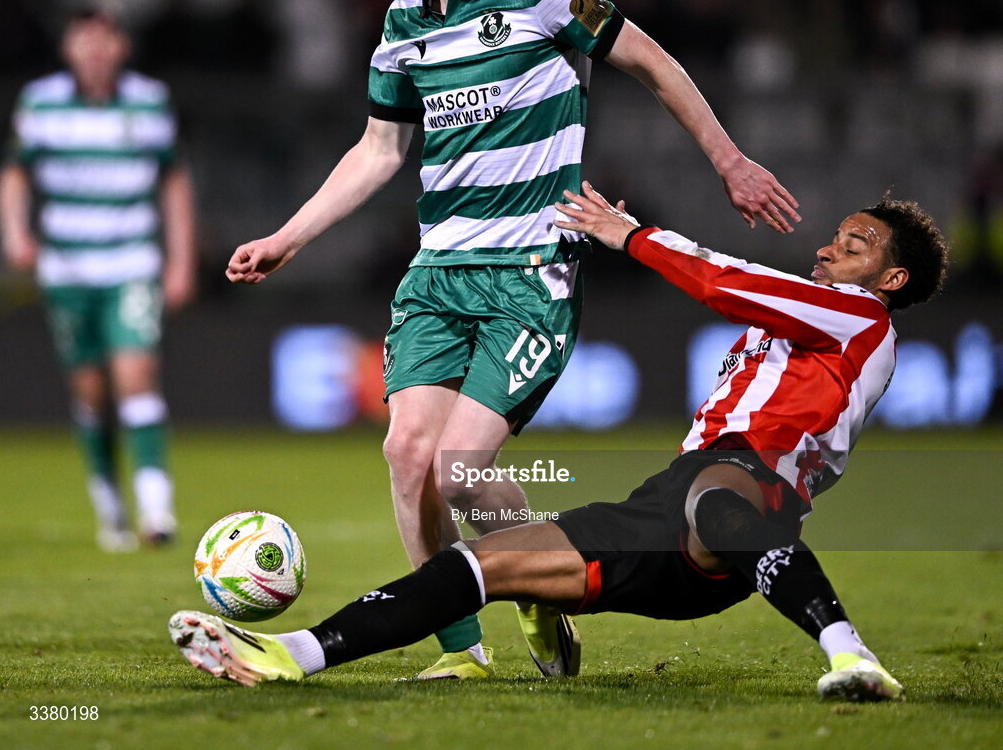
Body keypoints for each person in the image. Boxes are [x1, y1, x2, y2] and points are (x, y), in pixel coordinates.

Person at [225, 0, 800, 680]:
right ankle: (464, 651)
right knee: (406, 456)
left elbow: (654, 63)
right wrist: (289, 235)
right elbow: (380, 150)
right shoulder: (403, 27)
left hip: (530, 270)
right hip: (438, 270)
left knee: (461, 474)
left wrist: (729, 161)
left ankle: (533, 583)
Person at [174, 181, 947, 700]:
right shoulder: (810, 320)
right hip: (663, 513)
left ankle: (851, 655)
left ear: (891, 281)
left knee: (719, 497)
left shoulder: (860, 319)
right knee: (480, 564)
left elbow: (724, 280)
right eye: (839, 235)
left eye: (857, 243)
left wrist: (631, 235)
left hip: (744, 498)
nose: (830, 247)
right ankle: (292, 655)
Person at [0, 2, 197, 551]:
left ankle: (157, 512)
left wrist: (180, 261)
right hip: (67, 268)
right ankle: (110, 505)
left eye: (103, 40)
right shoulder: (41, 102)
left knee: (136, 379)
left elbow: (173, 183)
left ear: (121, 47)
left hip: (131, 263)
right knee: (91, 395)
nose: (94, 50)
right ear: (68, 50)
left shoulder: (149, 100)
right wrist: (15, 234)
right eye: (82, 41)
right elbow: (14, 175)